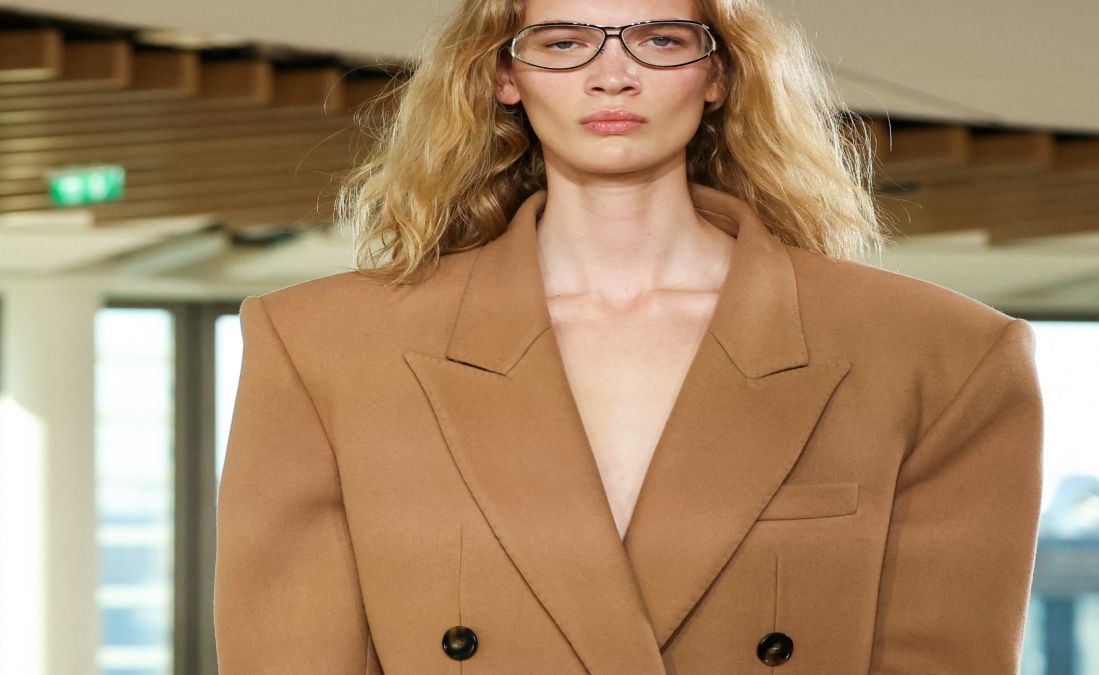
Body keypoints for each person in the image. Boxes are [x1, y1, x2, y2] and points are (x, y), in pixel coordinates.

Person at [213, 0, 1044, 672]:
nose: (613, 76)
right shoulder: (324, 347)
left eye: (659, 39)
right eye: (565, 41)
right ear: (505, 75)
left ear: (718, 73)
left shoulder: (942, 356)